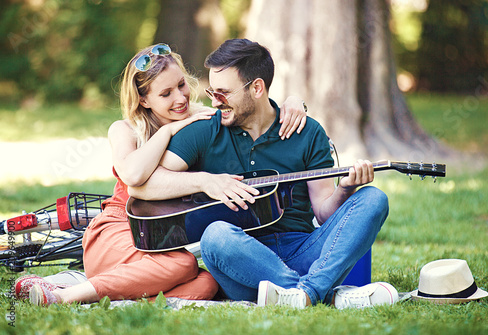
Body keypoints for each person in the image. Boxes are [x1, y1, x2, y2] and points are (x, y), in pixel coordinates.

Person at [15, 42, 307, 305]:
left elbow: (247, 106)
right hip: (118, 232)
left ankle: (101, 290)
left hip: (161, 241)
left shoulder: (198, 116)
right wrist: (168, 130)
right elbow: (132, 175)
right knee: (184, 266)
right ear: (144, 100)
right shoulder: (125, 130)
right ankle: (65, 296)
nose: (179, 98)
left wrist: (293, 103)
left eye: (181, 85)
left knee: (206, 283)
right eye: (166, 93)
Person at [130, 38, 399, 310]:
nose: (214, 101)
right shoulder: (204, 130)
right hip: (243, 261)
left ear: (257, 88)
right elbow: (143, 187)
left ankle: (303, 294)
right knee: (216, 236)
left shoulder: (307, 132)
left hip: (304, 250)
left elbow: (323, 213)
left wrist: (346, 189)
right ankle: (321, 292)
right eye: (212, 92)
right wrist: (205, 180)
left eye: (224, 93)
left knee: (373, 199)